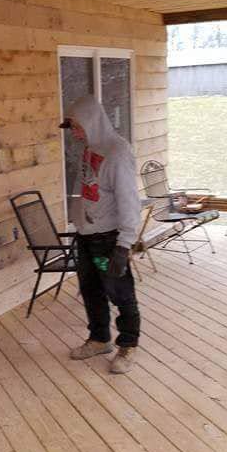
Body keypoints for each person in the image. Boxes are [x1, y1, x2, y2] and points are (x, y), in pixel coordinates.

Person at [60, 94, 141, 374]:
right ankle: (99, 339)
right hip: (86, 235)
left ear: (91, 121)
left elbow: (129, 200)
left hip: (109, 240)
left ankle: (128, 345)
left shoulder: (118, 153)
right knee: (91, 290)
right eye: (72, 127)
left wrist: (124, 245)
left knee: (121, 294)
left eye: (76, 126)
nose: (74, 132)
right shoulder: (90, 148)